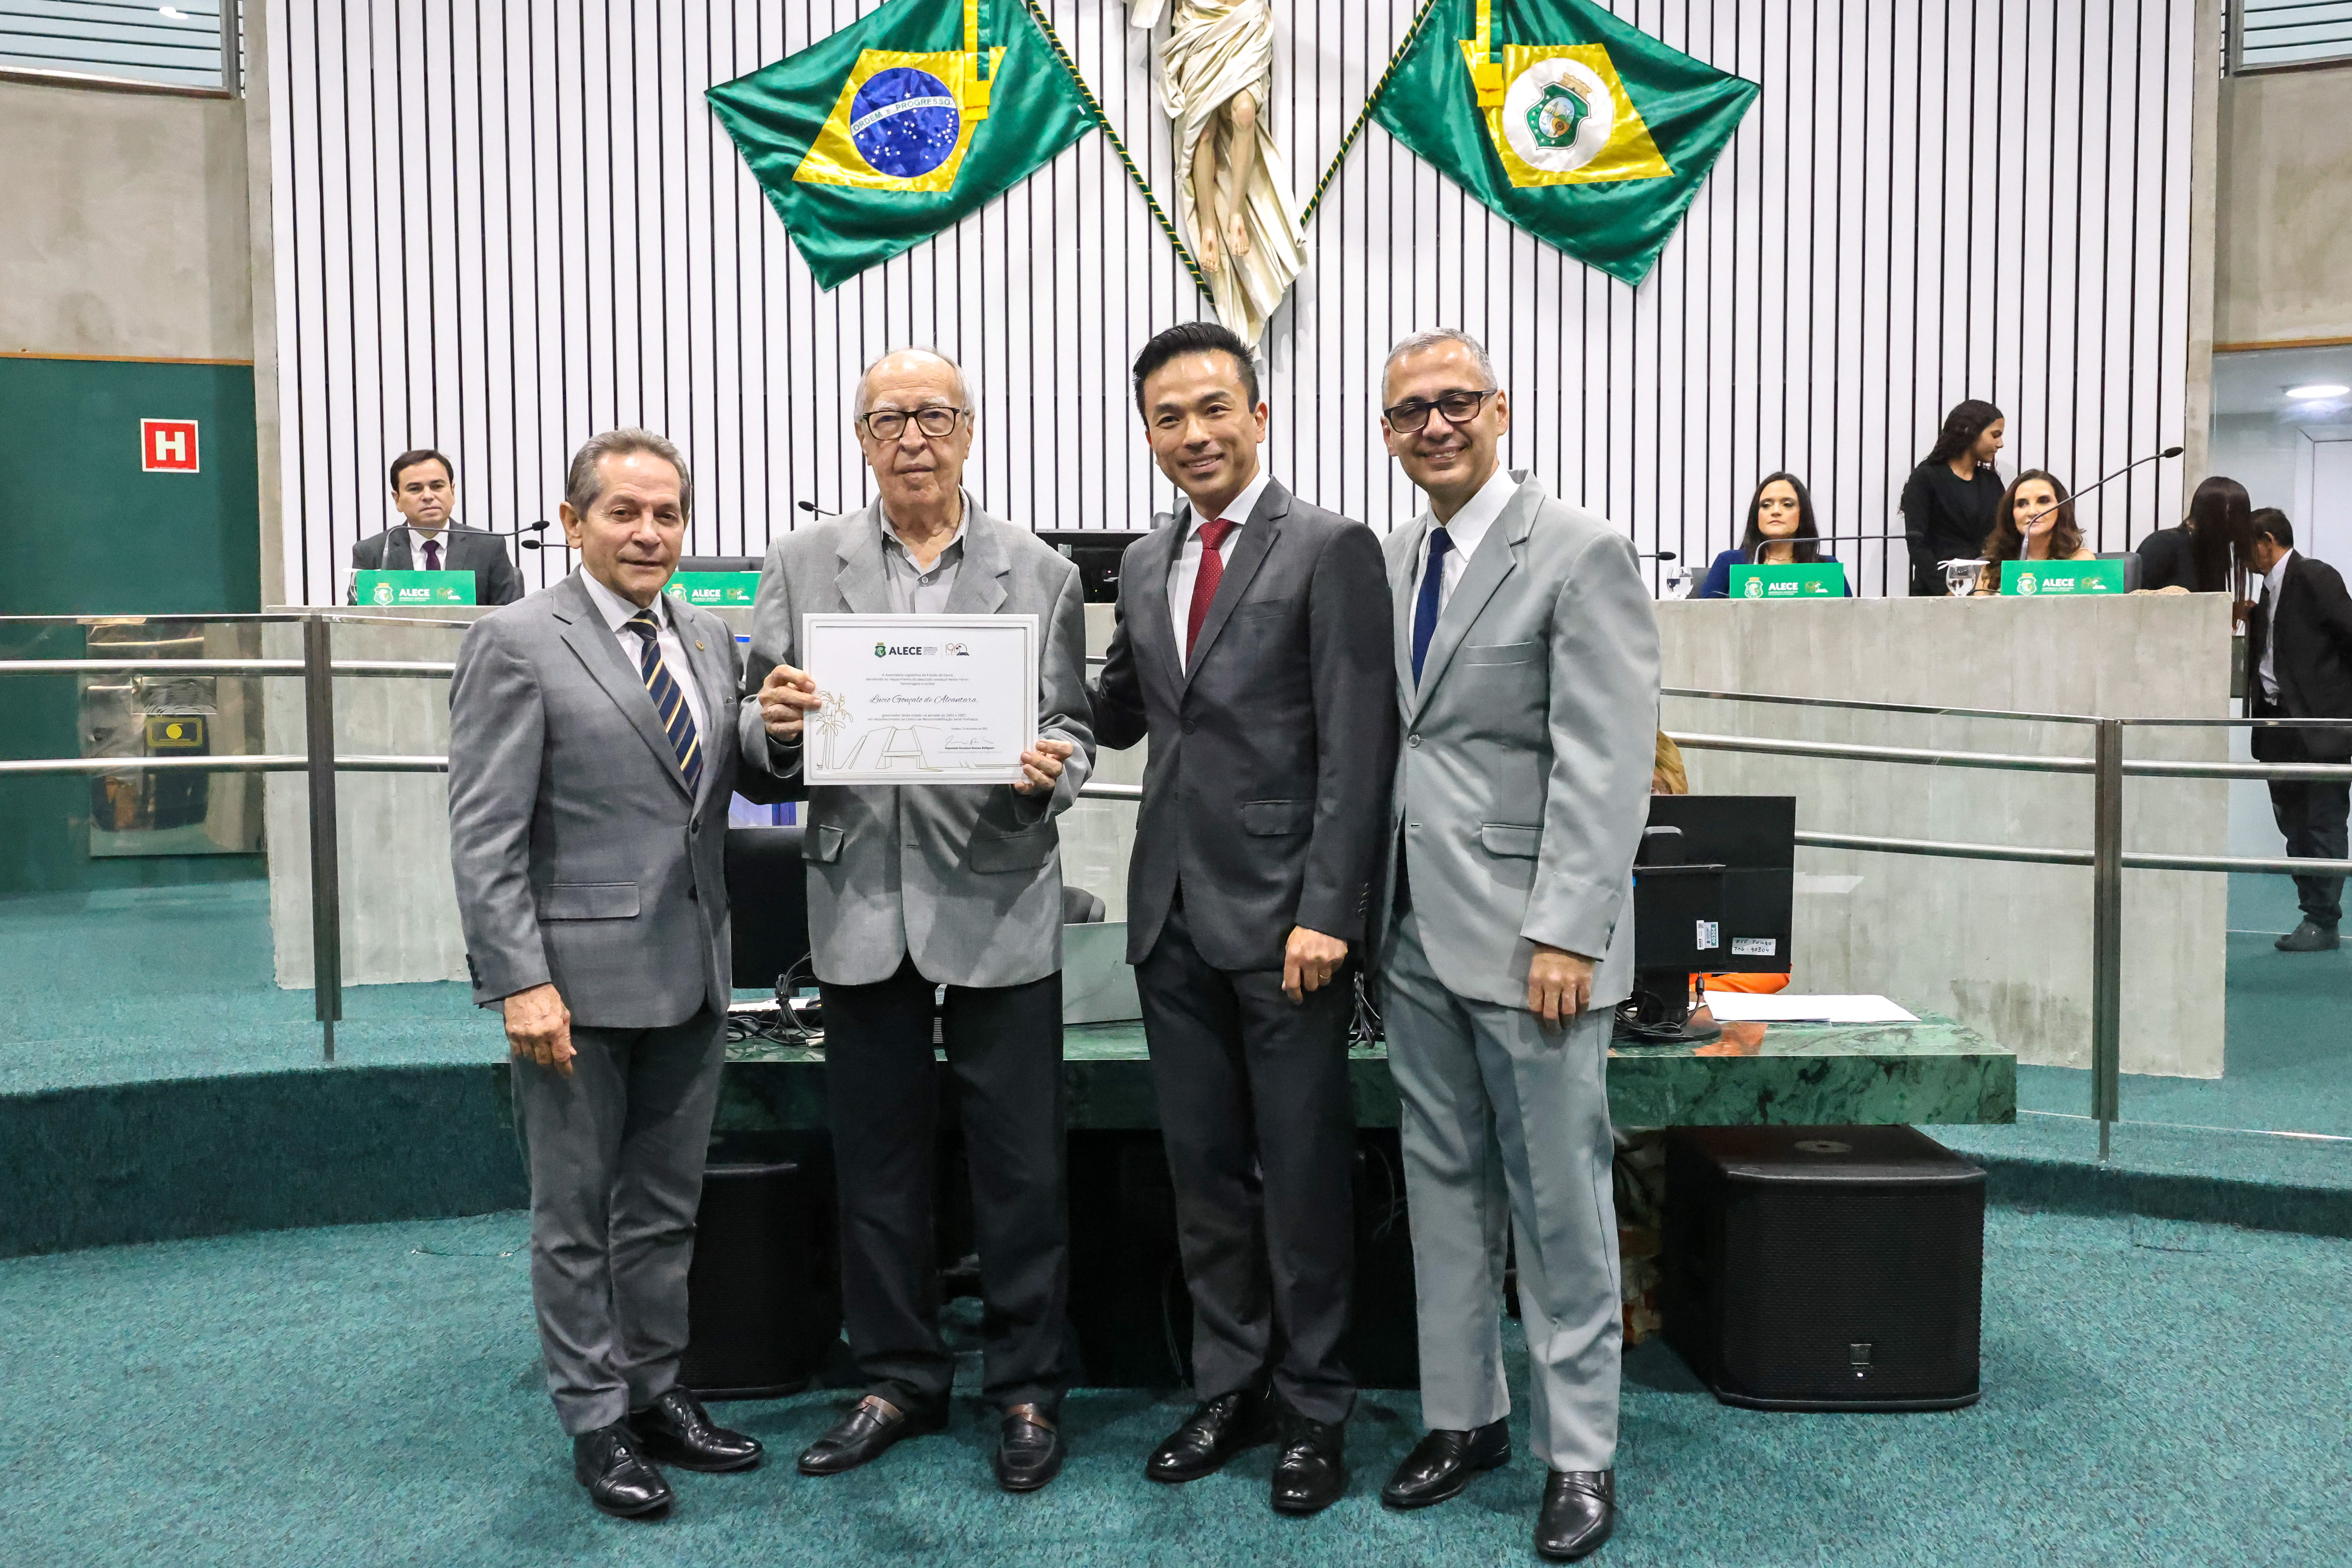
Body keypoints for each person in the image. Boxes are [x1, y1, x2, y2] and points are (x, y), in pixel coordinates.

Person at [740, 349, 1092, 1492]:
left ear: (969, 430)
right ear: (860, 437)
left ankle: (1028, 1385)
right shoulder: (802, 562)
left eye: (934, 416)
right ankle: (896, 1374)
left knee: (1021, 1166)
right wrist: (775, 728)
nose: (912, 438)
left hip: (997, 891)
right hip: (859, 901)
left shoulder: (1039, 570)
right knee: (878, 1160)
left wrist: (1053, 770)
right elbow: (757, 722)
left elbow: (1074, 725)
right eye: (887, 418)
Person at [1090, 320, 1395, 1515]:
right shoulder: (1141, 560)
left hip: (1286, 925)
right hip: (1167, 911)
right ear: (1148, 435)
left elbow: (1359, 747)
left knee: (1305, 1173)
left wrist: (1331, 911)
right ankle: (1228, 1384)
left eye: (1213, 408)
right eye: (1168, 416)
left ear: (1258, 416)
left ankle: (1315, 1405)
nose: (1193, 433)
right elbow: (1120, 710)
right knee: (1203, 1171)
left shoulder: (1329, 546)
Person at [1371, 328, 1658, 1563]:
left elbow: (1608, 755)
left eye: (1456, 402)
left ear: (1501, 409)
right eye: (1409, 411)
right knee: (1441, 1186)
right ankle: (1464, 1416)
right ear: (1389, 434)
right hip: (1411, 934)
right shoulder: (1392, 558)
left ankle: (1578, 1451)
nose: (1434, 425)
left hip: (1536, 945)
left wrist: (1567, 930)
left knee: (1558, 1203)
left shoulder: (1581, 551)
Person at [447, 430, 769, 1519]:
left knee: (664, 1210)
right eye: (624, 512)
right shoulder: (513, 640)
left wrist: (780, 728)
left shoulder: (708, 635)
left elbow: (717, 775)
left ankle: (656, 1389)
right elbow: (483, 833)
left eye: (667, 513)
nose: (648, 533)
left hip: (696, 970)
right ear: (573, 520)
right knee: (575, 1215)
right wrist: (518, 980)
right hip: (572, 986)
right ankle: (596, 1421)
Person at [2245, 509, 2352, 952]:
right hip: (2278, 727)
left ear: (2268, 542)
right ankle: (2313, 914)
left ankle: (2323, 921)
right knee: (2294, 827)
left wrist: (2337, 709)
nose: (2240, 558)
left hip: (2319, 729)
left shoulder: (2314, 576)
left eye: (2245, 547)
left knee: (2322, 824)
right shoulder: (2267, 594)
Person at [349, 448, 525, 605]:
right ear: (398, 500)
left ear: (452, 492)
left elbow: (508, 620)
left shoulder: (488, 548)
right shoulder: (372, 553)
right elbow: (354, 624)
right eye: (415, 489)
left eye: (437, 486)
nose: (428, 496)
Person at [1900, 400, 2006, 595]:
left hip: (1984, 590)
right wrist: (1945, 590)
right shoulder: (1926, 478)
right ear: (1969, 432)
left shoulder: (1992, 482)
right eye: (1995, 435)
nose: (2000, 444)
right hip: (1935, 594)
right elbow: (1917, 544)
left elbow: (2002, 537)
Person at [1694, 473, 1847, 598]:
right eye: (1766, 505)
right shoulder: (1730, 562)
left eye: (1787, 505)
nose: (1776, 511)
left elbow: (1852, 619)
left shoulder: (1827, 568)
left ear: (1803, 514)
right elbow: (1704, 618)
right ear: (1757, 515)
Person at [1970, 470, 2097, 594]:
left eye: (2043, 501)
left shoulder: (2080, 560)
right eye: (2022, 504)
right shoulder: (1993, 567)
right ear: (2011, 514)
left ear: (2061, 509)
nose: (2032, 512)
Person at [2138, 475, 2255, 598]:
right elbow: (2133, 599)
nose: (2239, 527)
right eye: (2235, 517)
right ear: (2214, 514)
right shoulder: (2163, 544)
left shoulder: (2213, 550)